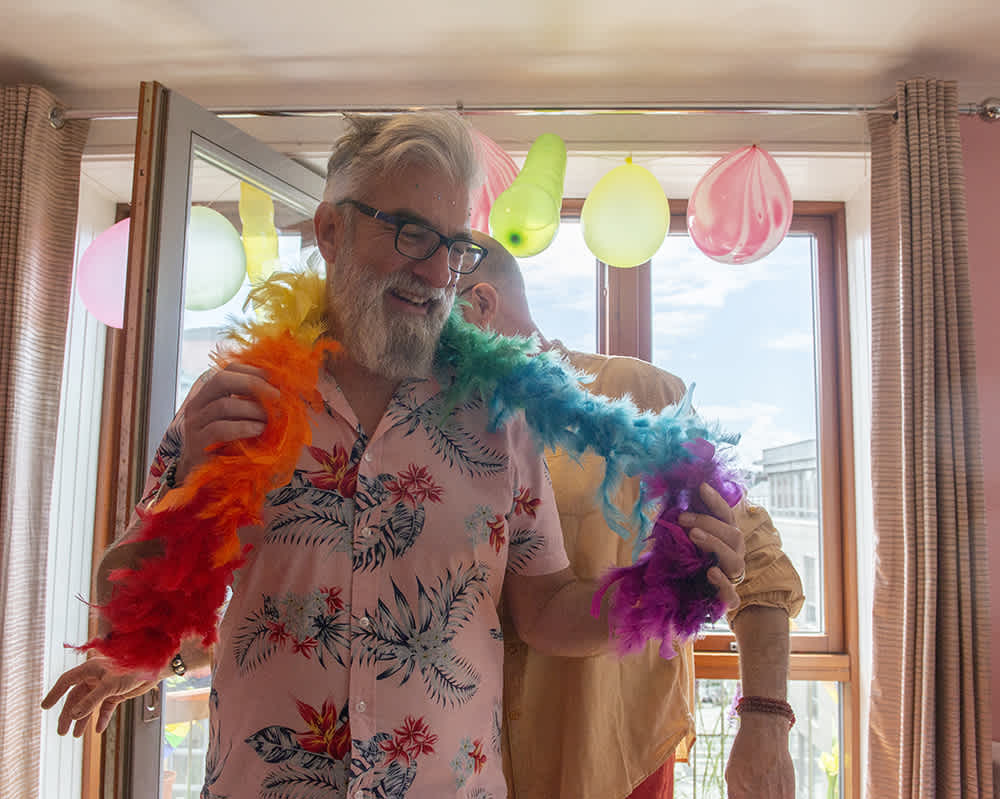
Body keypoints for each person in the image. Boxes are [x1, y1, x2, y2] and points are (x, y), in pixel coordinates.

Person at [41, 113, 747, 799]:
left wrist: (664, 587)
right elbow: (121, 607)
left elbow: (545, 609)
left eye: (455, 244)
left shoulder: (501, 417)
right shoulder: (238, 402)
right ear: (330, 229)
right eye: (411, 233)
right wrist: (188, 492)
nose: (438, 270)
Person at [456, 233, 805, 799]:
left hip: (616, 772)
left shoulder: (641, 398)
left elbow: (759, 564)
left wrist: (765, 720)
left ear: (477, 305)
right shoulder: (432, 431)